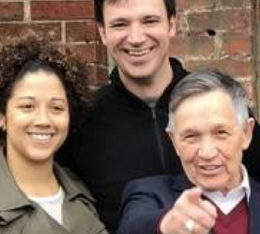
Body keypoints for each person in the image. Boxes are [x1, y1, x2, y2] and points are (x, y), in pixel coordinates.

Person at [57, 0, 260, 232]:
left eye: (150, 21)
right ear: (102, 32)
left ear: (172, 24)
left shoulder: (220, 106)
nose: (136, 38)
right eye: (120, 24)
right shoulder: (81, 122)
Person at [116, 70, 260, 234]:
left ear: (246, 133)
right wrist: (166, 224)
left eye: (221, 133)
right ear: (174, 141)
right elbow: (133, 224)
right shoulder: (149, 195)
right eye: (191, 136)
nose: (207, 153)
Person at [0, 35, 109, 234]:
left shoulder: (83, 195)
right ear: (2, 117)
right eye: (27, 106)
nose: (43, 120)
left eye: (56, 108)